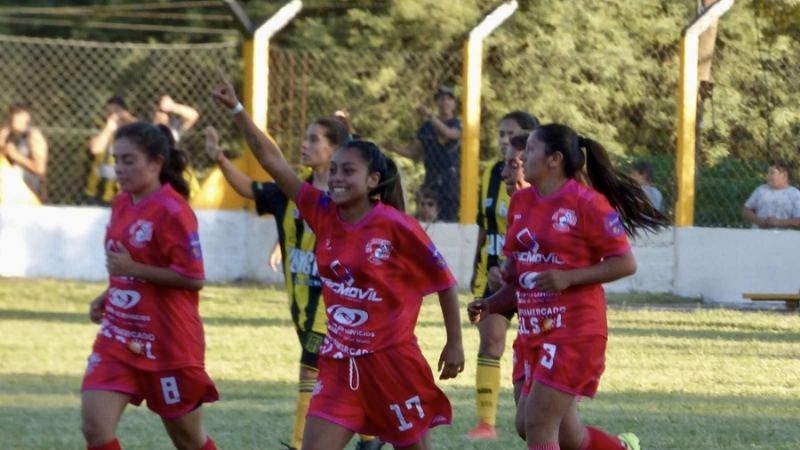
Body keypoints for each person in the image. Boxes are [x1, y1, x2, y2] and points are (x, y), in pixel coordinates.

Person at [211, 71, 464, 450]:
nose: (337, 178)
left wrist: (454, 343)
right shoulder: (322, 211)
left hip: (391, 365)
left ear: (373, 179)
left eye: (348, 171)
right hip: (339, 364)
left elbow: (444, 282)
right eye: (334, 170)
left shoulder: (397, 226)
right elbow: (272, 161)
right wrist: (236, 109)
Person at [467, 124, 668, 450]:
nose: (522, 158)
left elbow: (625, 263)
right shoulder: (521, 202)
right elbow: (520, 277)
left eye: (531, 150)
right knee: (541, 428)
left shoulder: (587, 203)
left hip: (574, 330)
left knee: (539, 423)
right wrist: (492, 302)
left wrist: (569, 277)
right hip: (533, 331)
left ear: (554, 159)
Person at [206, 118, 382, 450]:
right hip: (301, 305)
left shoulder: (349, 199)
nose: (305, 144)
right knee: (345, 375)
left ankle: (301, 444)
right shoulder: (292, 192)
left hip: (334, 307)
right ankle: (371, 437)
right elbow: (249, 189)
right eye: (305, 137)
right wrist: (219, 158)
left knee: (309, 373)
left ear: (335, 149)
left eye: (314, 139)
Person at [80, 121, 219, 450]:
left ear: (156, 163)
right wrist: (110, 294)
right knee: (95, 427)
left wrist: (134, 269)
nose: (119, 168)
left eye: (129, 160)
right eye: (116, 159)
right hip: (119, 336)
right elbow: (127, 268)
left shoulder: (173, 211)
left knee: (188, 440)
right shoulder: (121, 204)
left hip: (168, 344)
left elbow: (193, 278)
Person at [467, 111, 539, 440]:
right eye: (500, 133)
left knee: (535, 350)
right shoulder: (489, 174)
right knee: (490, 339)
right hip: (497, 272)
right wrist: (477, 266)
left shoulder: (547, 190)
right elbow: (485, 225)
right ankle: (486, 423)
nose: (503, 140)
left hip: (533, 281)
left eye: (511, 134)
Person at [388, 86, 461, 222]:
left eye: (448, 99)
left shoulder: (458, 124)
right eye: (441, 99)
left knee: (449, 220)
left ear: (454, 103)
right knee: (426, 217)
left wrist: (429, 115)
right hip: (431, 178)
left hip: (450, 180)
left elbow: (449, 134)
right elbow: (413, 152)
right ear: (437, 103)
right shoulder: (427, 127)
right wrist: (394, 147)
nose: (445, 102)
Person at [84, 96, 136, 206]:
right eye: (109, 113)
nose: (112, 116)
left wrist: (128, 119)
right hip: (97, 191)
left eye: (116, 112)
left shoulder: (132, 131)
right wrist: (109, 128)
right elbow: (95, 149)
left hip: (122, 192)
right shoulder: (102, 128)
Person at [0, 102, 48, 200]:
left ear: (27, 117)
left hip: (27, 190)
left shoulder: (34, 136)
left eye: (19, 115)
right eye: (14, 115)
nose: (15, 119)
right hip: (7, 187)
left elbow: (40, 169)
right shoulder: (7, 133)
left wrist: (16, 156)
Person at [742, 159, 800, 229]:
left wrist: (778, 222)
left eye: (772, 173)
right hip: (758, 234)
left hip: (783, 235)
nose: (768, 176)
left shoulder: (795, 194)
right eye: (768, 173)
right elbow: (746, 210)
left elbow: (798, 221)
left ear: (784, 175)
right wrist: (759, 221)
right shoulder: (761, 190)